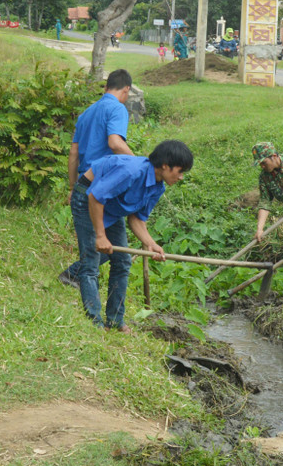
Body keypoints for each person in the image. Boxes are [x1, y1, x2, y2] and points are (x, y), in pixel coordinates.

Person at [72, 140, 193, 332]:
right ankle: (94, 322)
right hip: (88, 197)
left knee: (123, 262)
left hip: (112, 207)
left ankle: (115, 320)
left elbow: (136, 219)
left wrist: (151, 244)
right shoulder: (131, 171)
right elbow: (95, 196)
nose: (181, 177)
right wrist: (101, 236)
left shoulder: (158, 187)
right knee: (90, 264)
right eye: (180, 171)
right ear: (165, 165)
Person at [60, 70, 135, 288]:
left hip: (84, 183)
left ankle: (74, 275)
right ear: (126, 89)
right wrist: (139, 165)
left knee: (101, 242)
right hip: (103, 184)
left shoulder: (87, 113)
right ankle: (73, 274)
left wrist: (73, 187)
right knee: (113, 246)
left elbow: (73, 154)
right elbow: (115, 143)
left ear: (105, 87)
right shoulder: (117, 108)